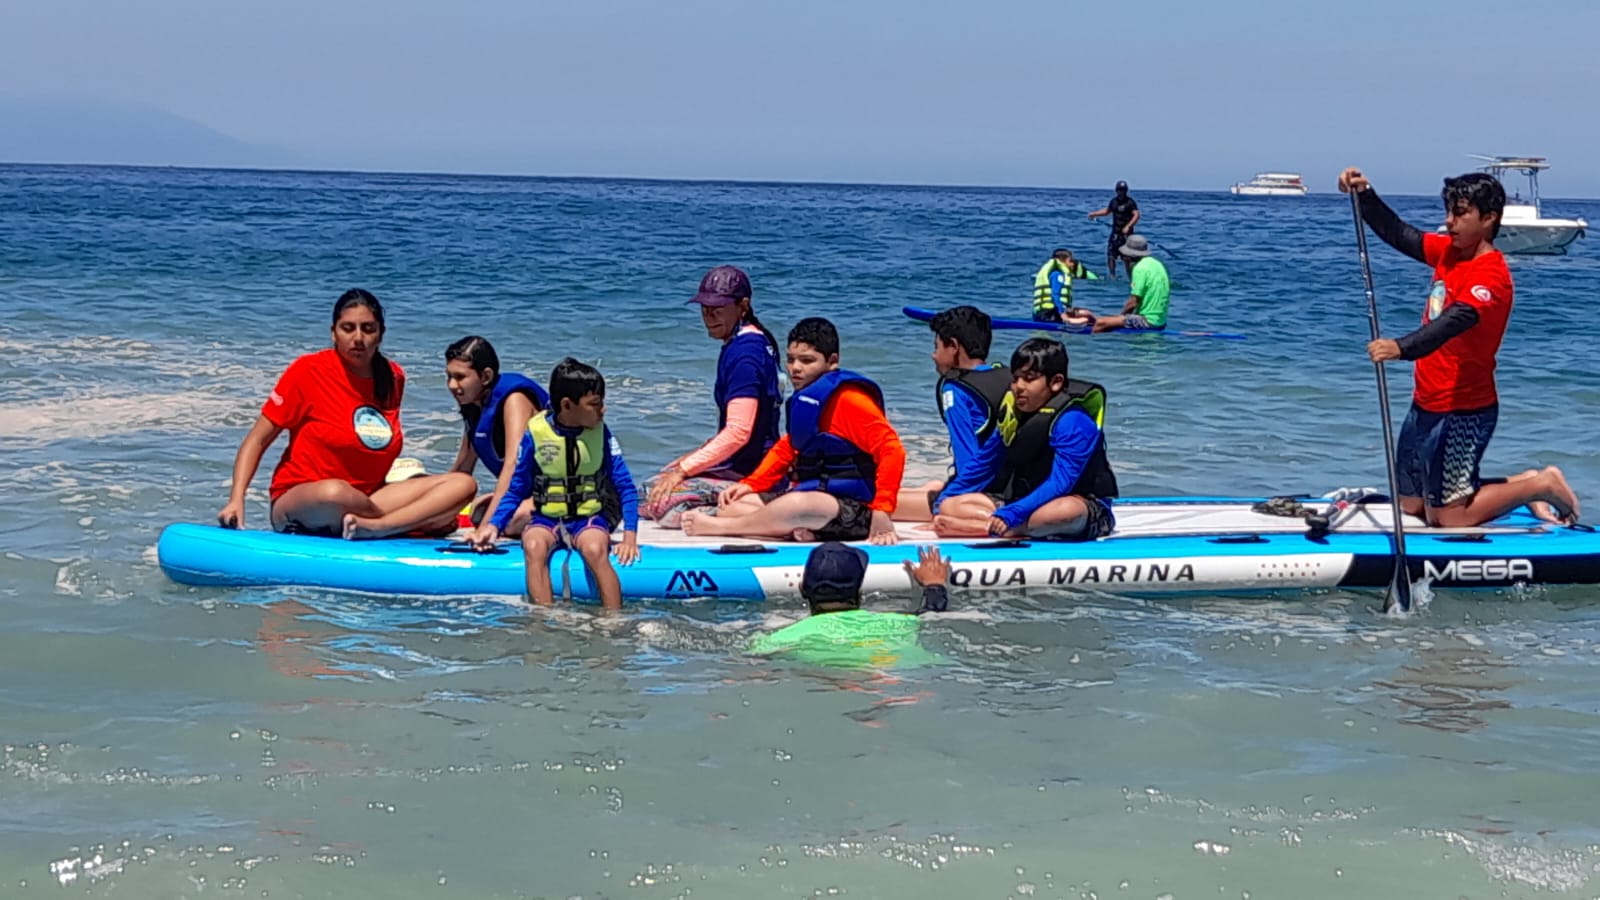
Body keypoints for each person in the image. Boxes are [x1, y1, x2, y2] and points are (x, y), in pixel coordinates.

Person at [1338, 166, 1580, 527]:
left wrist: (1401, 348)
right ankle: (1522, 483)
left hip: (1464, 410)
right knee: (1410, 506)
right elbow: (1399, 234)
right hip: (1425, 402)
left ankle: (1541, 484)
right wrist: (1365, 195)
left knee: (1449, 518)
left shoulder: (1491, 275)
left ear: (1488, 219)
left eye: (1461, 213)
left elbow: (1457, 319)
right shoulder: (1449, 252)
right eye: (1448, 212)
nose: (1450, 222)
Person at [217, 289, 477, 540]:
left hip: (371, 497)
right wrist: (236, 499)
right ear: (333, 333)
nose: (358, 338)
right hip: (303, 499)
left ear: (381, 334)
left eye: (368, 328)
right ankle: (406, 524)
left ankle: (378, 526)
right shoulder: (308, 371)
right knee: (335, 492)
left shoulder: (393, 376)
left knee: (462, 485)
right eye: (348, 328)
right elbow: (257, 440)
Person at [681, 317, 907, 545]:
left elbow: (893, 451)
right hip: (810, 496)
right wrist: (751, 484)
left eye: (807, 361)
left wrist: (882, 510)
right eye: (790, 360)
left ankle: (722, 528)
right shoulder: (806, 401)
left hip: (855, 507)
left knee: (799, 505)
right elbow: (787, 448)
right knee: (732, 506)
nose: (795, 368)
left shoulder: (851, 401)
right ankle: (794, 530)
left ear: (832, 361)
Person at [468, 358, 641, 610]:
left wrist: (629, 538)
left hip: (588, 518)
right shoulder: (535, 435)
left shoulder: (600, 433)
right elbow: (516, 488)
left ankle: (614, 619)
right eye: (595, 404)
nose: (602, 410)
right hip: (547, 519)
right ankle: (544, 619)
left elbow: (626, 487)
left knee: (594, 549)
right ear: (567, 405)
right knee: (534, 545)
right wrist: (494, 525)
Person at [934, 338, 1118, 540]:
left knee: (1066, 510)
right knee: (951, 505)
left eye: (1029, 378)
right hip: (1025, 503)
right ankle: (1000, 526)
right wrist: (942, 501)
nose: (1018, 387)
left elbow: (1061, 483)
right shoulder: (1014, 412)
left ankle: (987, 528)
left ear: (1056, 382)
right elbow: (985, 463)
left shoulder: (1073, 421)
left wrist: (1013, 512)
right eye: (1015, 378)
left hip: (1078, 505)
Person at [644, 265, 784, 526]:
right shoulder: (753, 340)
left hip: (750, 470)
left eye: (717, 310)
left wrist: (685, 470)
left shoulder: (746, 355)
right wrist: (690, 459)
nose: (709, 317)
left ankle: (761, 509)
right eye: (705, 309)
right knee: (655, 487)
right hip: (751, 465)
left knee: (655, 502)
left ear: (743, 306)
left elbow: (738, 432)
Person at [747, 543, 950, 668]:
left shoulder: (781, 639)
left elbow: (752, 662)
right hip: (910, 674)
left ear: (802, 589)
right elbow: (933, 611)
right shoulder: (900, 622)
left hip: (835, 683)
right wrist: (934, 584)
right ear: (860, 591)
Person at [895, 305, 1011, 522]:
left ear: (954, 347)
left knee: (879, 504)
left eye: (937, 347)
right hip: (1015, 486)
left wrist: (944, 506)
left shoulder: (956, 389)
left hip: (983, 495)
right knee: (931, 486)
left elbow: (968, 462)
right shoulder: (1009, 376)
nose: (933, 356)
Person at [444, 335, 550, 536]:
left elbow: (513, 465)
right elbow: (462, 469)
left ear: (485, 376)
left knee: (508, 521)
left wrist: (487, 527)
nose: (451, 385)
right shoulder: (475, 406)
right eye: (448, 376)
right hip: (533, 494)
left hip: (573, 496)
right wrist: (436, 514)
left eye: (460, 377)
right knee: (477, 512)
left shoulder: (515, 400)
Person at [1073, 235, 1169, 332]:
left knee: (1101, 322)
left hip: (1148, 321)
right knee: (1110, 320)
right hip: (1161, 321)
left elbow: (1133, 302)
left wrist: (1121, 317)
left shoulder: (1139, 269)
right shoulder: (1156, 263)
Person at [1087, 180, 1141, 278]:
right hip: (1115, 233)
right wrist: (1094, 214)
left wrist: (1128, 226)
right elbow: (1107, 211)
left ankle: (1130, 277)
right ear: (1116, 191)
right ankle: (1112, 276)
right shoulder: (1114, 201)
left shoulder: (1130, 202)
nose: (1121, 192)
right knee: (1111, 255)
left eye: (1123, 190)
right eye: (1120, 190)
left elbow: (1136, 215)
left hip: (1127, 235)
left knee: (1127, 258)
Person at [1031, 249, 1099, 323]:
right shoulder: (1057, 275)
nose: (1073, 263)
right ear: (1062, 261)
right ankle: (1094, 325)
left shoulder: (1059, 273)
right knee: (1086, 319)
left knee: (1086, 313)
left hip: (1051, 312)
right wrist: (1063, 314)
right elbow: (1055, 295)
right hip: (1047, 314)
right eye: (1070, 261)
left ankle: (1098, 322)